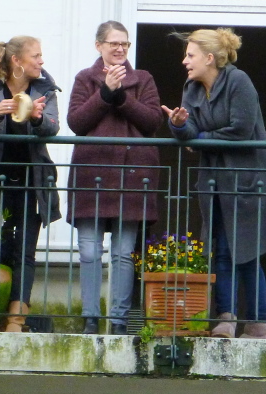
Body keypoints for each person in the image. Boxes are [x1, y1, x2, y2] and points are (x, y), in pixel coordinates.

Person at [162, 28, 266, 339]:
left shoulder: (239, 81)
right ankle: (226, 319)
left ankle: (258, 325)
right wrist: (178, 125)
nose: (185, 61)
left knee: (248, 253)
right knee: (222, 251)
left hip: (250, 180)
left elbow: (241, 129)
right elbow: (189, 132)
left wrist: (201, 138)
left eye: (190, 55)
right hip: (215, 181)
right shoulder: (191, 88)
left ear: (209, 58)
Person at [67, 21, 163, 335]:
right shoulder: (85, 78)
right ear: (99, 46)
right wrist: (105, 92)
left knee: (123, 254)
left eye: (125, 44)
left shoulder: (143, 79)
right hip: (91, 176)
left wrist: (121, 96)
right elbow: (76, 122)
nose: (120, 49)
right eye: (114, 43)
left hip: (132, 178)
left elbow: (152, 121)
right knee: (90, 251)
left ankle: (119, 321)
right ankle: (91, 318)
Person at [0, 36, 61, 332]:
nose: (41, 61)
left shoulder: (45, 89)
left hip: (33, 182)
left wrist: (37, 119)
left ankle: (17, 319)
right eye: (36, 56)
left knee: (25, 251)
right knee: (1, 249)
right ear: (17, 60)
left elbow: (54, 128)